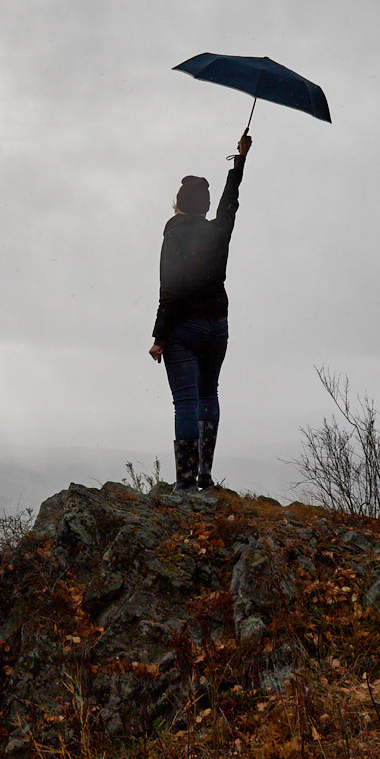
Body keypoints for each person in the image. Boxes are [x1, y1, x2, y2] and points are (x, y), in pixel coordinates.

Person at [150, 131, 252, 491]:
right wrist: (238, 162)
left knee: (186, 402)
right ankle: (204, 477)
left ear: (179, 204)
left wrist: (160, 336)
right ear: (204, 207)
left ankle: (185, 483)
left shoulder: (174, 234)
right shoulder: (218, 229)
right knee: (209, 394)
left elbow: (170, 287)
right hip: (217, 327)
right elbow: (231, 202)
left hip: (183, 329)